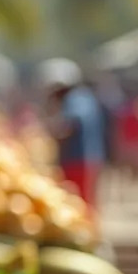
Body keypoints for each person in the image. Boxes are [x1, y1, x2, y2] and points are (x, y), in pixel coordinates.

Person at [39, 58, 105, 210]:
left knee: (79, 204)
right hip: (89, 158)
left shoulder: (75, 99)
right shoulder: (85, 97)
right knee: (86, 202)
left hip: (78, 160)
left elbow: (66, 127)